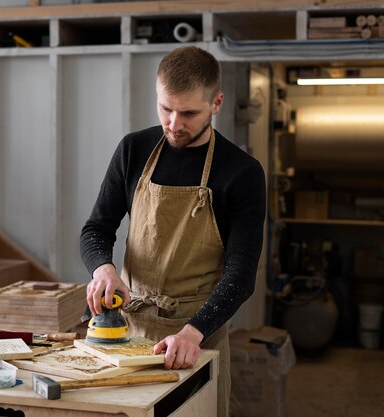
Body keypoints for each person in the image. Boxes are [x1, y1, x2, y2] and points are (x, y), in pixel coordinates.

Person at [79, 46, 266, 417]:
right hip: (127, 330)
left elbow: (241, 275)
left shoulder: (241, 171)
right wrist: (104, 269)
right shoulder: (134, 149)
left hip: (196, 335)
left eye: (189, 113)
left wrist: (193, 332)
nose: (175, 124)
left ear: (217, 103)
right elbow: (96, 228)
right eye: (166, 109)